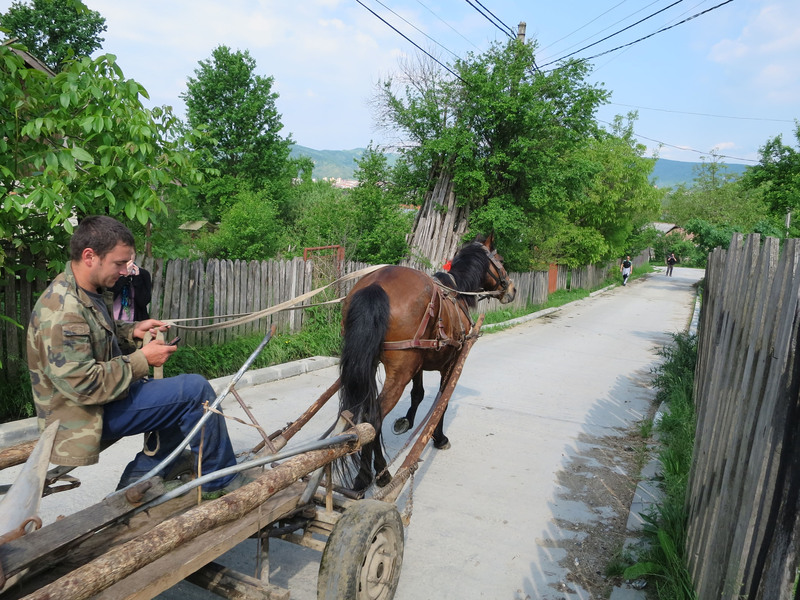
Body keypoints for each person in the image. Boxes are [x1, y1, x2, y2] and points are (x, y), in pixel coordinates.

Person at [26, 216, 243, 496]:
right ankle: (220, 483)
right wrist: (143, 359)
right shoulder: (63, 310)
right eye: (119, 263)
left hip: (100, 402)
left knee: (177, 394)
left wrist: (132, 330)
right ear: (90, 256)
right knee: (194, 391)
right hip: (80, 416)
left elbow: (95, 333)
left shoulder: (85, 290)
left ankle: (143, 475)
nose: (125, 271)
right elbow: (82, 384)